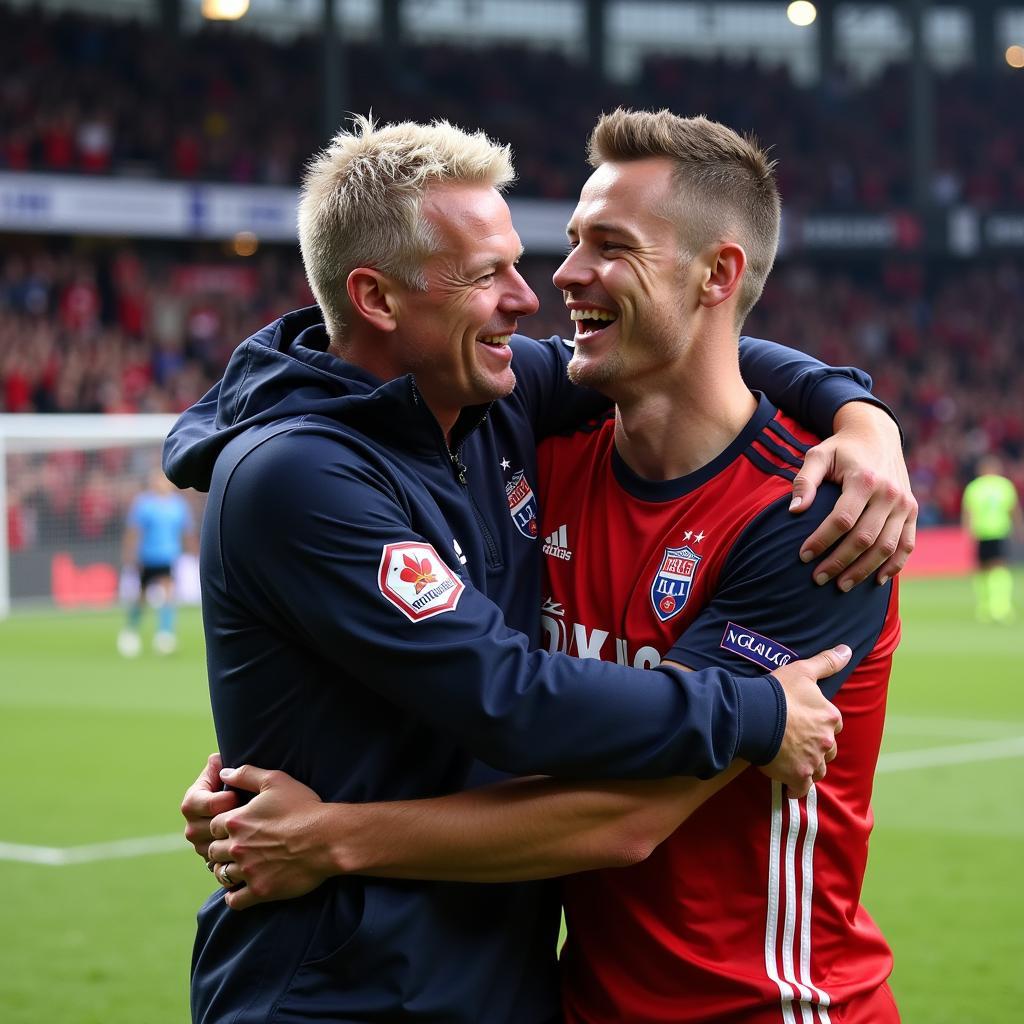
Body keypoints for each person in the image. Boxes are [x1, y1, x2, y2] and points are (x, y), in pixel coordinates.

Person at [168, 115, 915, 1024]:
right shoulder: (322, 468)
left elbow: (624, 818)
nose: (542, 291)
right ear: (376, 298)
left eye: (602, 247)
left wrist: (859, 412)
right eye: (492, 273)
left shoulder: (823, 517)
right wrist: (759, 710)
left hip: (737, 1005)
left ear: (716, 274)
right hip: (345, 991)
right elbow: (510, 695)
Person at [117, 468, 194, 656]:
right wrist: (129, 554)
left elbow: (186, 532)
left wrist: (194, 552)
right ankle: (131, 630)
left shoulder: (179, 505)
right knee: (141, 596)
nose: (161, 483)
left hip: (169, 557)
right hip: (147, 557)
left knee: (168, 595)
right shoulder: (144, 504)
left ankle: (165, 634)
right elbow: (134, 531)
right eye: (158, 480)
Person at [961, 454, 1021, 623]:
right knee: (999, 568)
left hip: (982, 533)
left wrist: (967, 532)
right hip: (999, 531)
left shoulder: (974, 487)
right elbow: (1013, 510)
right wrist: (1018, 529)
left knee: (983, 569)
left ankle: (986, 607)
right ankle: (1000, 607)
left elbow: (968, 513)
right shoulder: (1004, 486)